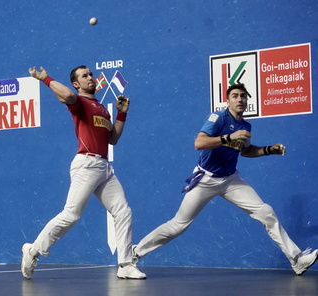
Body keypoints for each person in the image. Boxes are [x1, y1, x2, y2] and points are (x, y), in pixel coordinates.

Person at [132, 83, 317, 276]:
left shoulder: (245, 125)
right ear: (227, 100)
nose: (240, 99)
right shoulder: (218, 118)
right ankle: (134, 253)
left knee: (265, 211)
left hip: (230, 180)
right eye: (235, 96)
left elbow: (245, 151)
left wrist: (269, 150)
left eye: (243, 96)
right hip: (205, 179)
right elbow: (199, 143)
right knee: (178, 225)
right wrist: (228, 137)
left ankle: (296, 259)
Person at [21, 66, 146, 280]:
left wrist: (122, 113)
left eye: (90, 74)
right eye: (84, 76)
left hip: (104, 168)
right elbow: (68, 95)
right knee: (71, 215)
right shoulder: (78, 103)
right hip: (86, 164)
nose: (90, 78)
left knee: (123, 211)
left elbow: (113, 139)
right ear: (77, 84)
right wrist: (44, 78)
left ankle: (125, 264)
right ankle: (32, 250)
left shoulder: (102, 108)